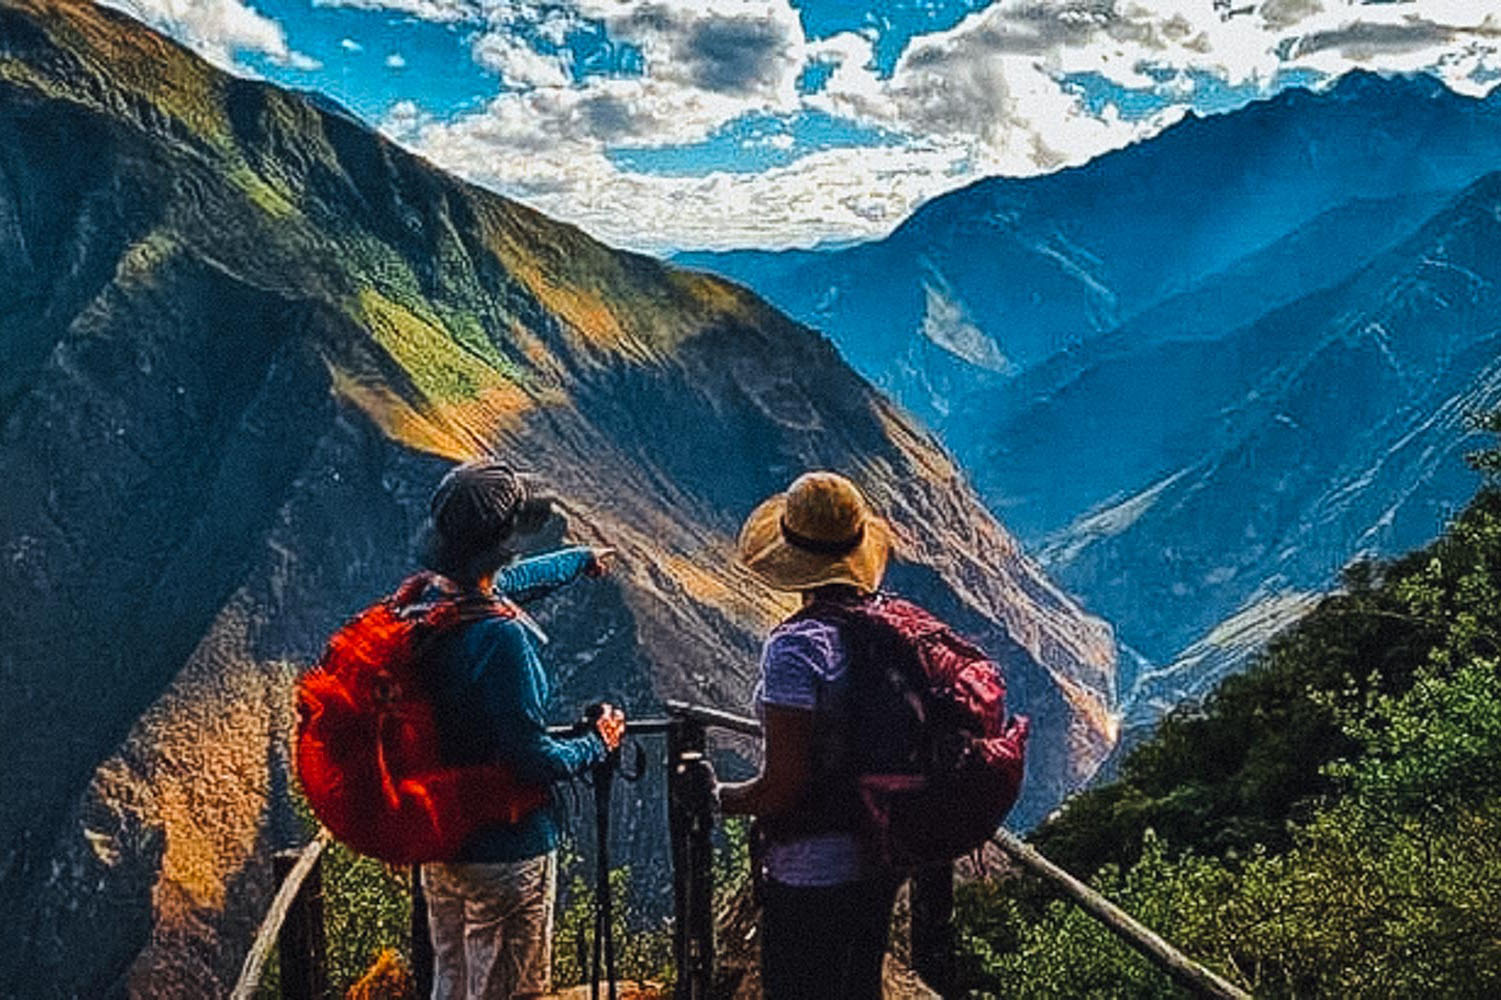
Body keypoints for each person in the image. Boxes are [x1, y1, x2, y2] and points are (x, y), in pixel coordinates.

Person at [416, 458, 627, 1000]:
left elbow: (508, 583)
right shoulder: (501, 640)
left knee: (453, 982)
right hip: (508, 852)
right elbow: (531, 758)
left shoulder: (423, 606)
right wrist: (596, 743)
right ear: (504, 543)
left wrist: (579, 561)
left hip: (444, 842)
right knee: (512, 990)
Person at [716, 470, 902, 1000]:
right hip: (879, 857)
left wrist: (716, 799)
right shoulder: (881, 626)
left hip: (811, 871)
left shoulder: (797, 650)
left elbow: (784, 787)